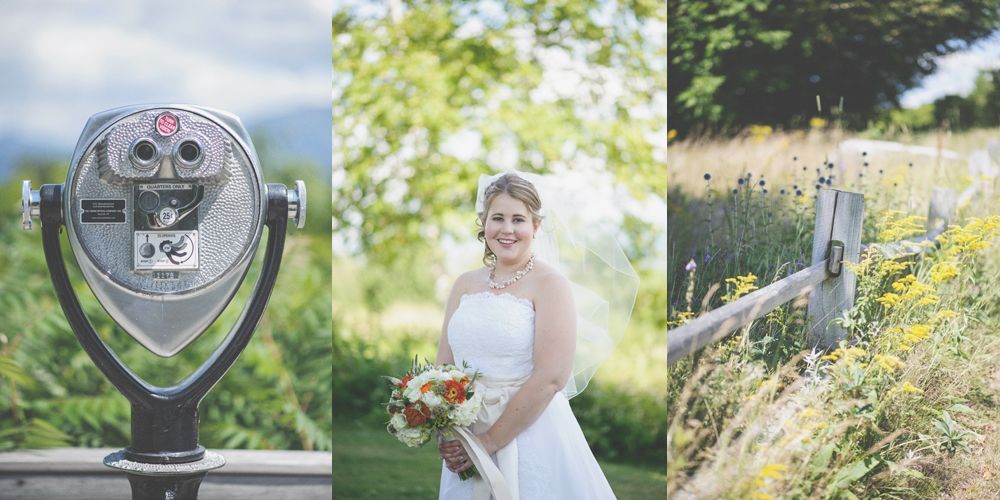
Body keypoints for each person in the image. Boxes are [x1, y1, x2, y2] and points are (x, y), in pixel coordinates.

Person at [436, 172, 616, 499]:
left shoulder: (551, 284)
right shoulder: (464, 283)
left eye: (518, 219)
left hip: (530, 432)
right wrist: (443, 428)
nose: (507, 229)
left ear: (535, 226)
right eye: (498, 218)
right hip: (465, 429)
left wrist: (488, 443)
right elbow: (443, 366)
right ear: (484, 223)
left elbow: (552, 376)